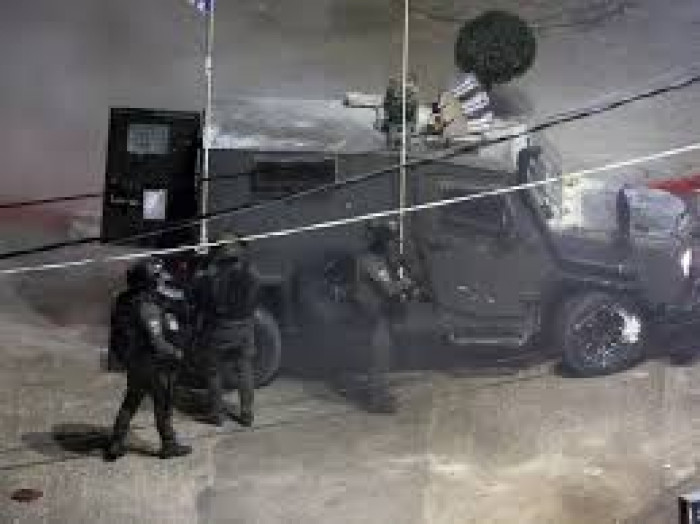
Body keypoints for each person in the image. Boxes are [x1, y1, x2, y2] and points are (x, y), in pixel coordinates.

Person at [104, 258, 191, 461]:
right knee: (163, 405)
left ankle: (116, 442)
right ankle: (169, 445)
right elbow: (157, 342)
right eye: (156, 279)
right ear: (148, 282)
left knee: (131, 401)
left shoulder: (123, 299)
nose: (159, 282)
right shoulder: (147, 307)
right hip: (153, 365)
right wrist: (176, 353)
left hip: (133, 361)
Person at [193, 234, 259, 427]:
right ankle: (246, 414)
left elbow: (200, 302)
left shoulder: (210, 277)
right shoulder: (251, 273)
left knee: (214, 371)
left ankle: (217, 414)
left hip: (219, 329)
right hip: (244, 328)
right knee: (244, 369)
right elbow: (255, 299)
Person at [355, 220, 416, 414]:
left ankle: (380, 394)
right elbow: (389, 288)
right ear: (381, 242)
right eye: (389, 241)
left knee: (384, 356)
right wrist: (408, 282)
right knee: (379, 357)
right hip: (372, 316)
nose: (392, 244)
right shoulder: (370, 261)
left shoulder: (378, 258)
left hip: (379, 313)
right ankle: (377, 401)